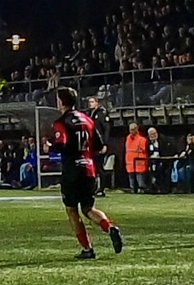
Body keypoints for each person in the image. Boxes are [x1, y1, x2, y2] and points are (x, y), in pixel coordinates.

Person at [50, 87, 123, 260]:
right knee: (89, 208)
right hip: (89, 169)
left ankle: (87, 249)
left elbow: (61, 143)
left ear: (61, 101)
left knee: (72, 210)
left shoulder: (61, 122)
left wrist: (50, 146)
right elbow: (99, 146)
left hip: (72, 171)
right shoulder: (88, 119)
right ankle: (110, 227)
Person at [123, 122, 149, 193]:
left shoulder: (142, 140)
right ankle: (133, 190)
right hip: (130, 162)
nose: (131, 131)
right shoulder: (128, 138)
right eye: (130, 129)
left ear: (137, 129)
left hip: (139, 163)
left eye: (133, 129)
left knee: (140, 178)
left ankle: (142, 189)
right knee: (131, 178)